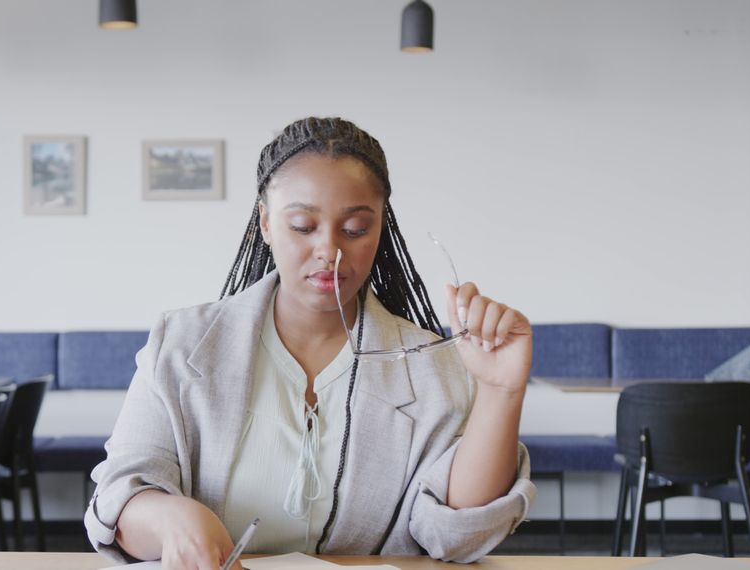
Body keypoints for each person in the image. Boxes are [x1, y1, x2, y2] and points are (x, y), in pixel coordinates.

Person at [85, 117, 536, 568]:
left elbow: (453, 536)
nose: (330, 250)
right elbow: (120, 494)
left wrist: (501, 392)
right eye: (302, 225)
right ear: (264, 221)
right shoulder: (182, 343)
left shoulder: (431, 365)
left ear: (381, 228)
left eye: (356, 228)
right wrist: (167, 519)